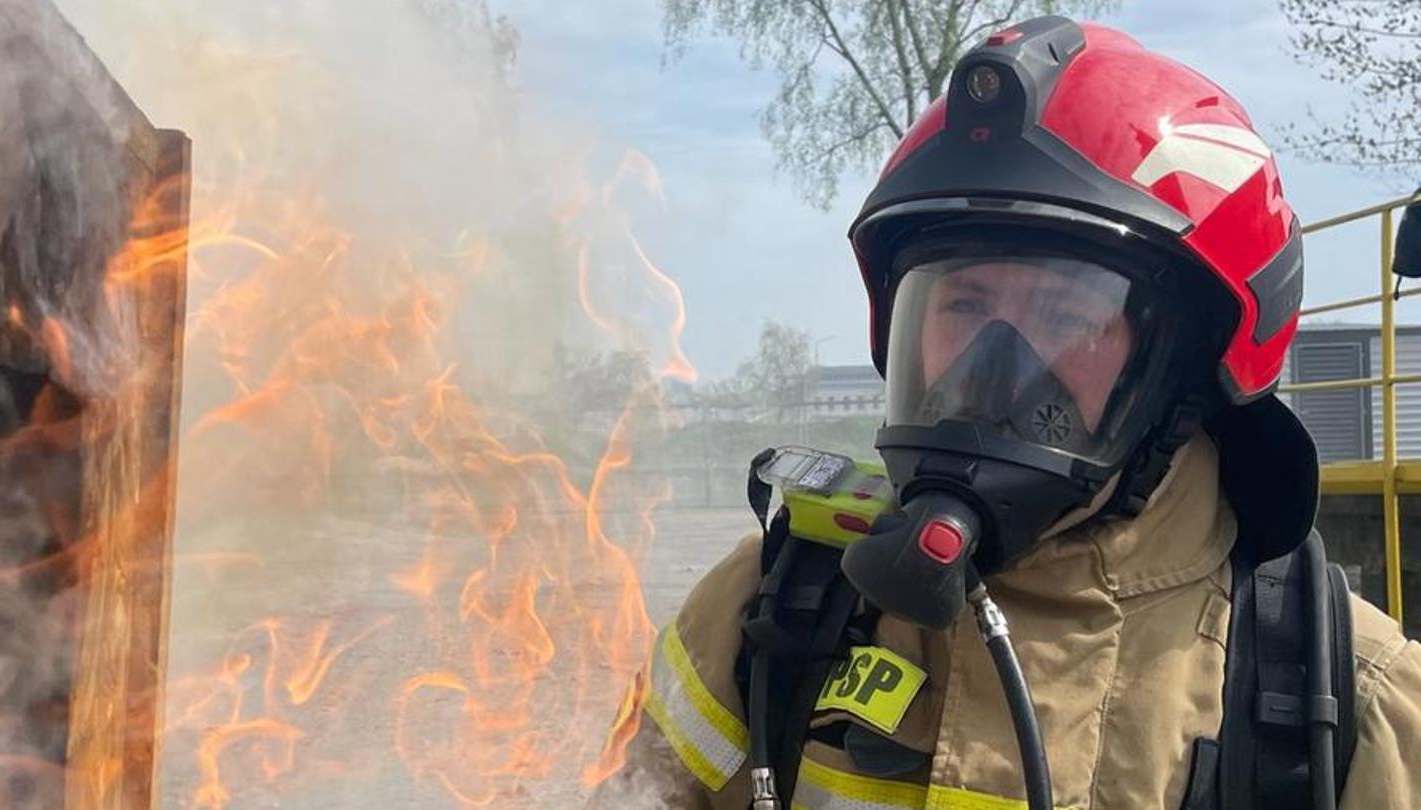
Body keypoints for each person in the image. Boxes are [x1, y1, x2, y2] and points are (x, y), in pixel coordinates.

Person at [592, 16, 1421, 810]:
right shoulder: (774, 596)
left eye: (1064, 317)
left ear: (1188, 371)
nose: (995, 367)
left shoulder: (1349, 696)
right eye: (965, 304)